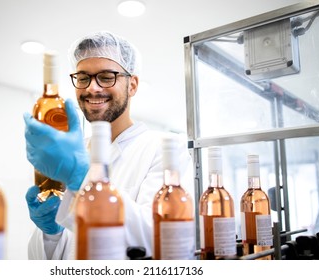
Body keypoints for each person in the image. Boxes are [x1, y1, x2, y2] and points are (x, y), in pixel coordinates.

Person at [23, 30, 194, 260]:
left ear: (132, 85)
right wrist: (50, 233)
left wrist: (81, 178)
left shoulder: (164, 150)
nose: (92, 88)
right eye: (83, 77)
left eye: (106, 76)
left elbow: (160, 240)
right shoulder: (74, 152)